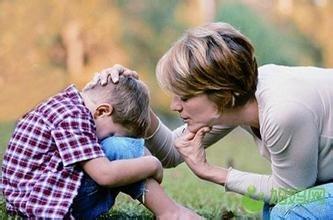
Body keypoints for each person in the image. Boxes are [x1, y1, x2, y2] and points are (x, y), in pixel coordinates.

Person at [89, 22, 333, 219]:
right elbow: (173, 153)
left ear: (222, 95)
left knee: (287, 213)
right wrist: (129, 97)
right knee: (276, 211)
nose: (174, 105)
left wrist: (212, 172)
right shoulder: (238, 98)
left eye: (184, 96)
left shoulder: (283, 111)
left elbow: (289, 191)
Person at [1, 74, 200, 219]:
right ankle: (170, 213)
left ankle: (170, 211)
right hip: (48, 203)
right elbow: (104, 174)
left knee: (119, 150)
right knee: (121, 148)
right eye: (112, 131)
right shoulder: (73, 117)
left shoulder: (67, 104)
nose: (103, 140)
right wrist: (153, 164)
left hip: (34, 197)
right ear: (103, 111)